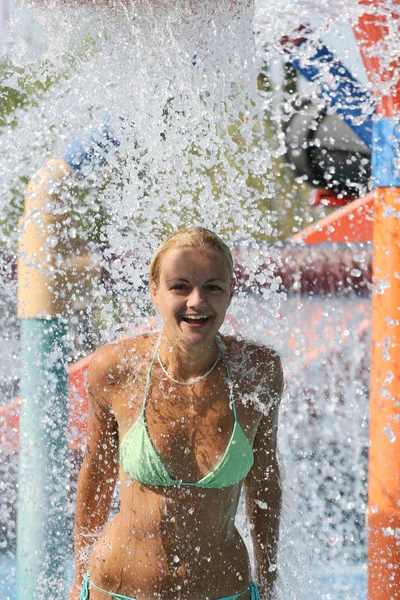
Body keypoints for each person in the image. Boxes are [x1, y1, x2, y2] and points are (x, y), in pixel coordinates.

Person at [69, 226, 283, 600]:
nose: (197, 302)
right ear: (155, 291)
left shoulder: (257, 372)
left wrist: (268, 584)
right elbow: (96, 475)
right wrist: (77, 581)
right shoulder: (117, 369)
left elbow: (265, 481)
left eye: (213, 287)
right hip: (118, 589)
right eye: (180, 286)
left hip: (223, 590)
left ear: (231, 292)